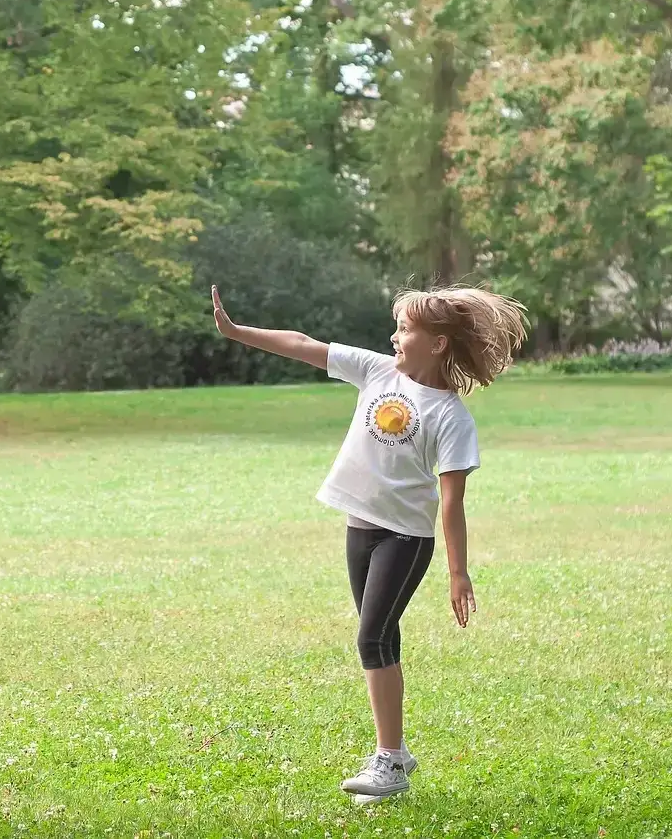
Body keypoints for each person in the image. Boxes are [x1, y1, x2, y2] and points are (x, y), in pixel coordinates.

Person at [210, 282, 527, 803]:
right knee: (383, 639)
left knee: (370, 640)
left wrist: (458, 572)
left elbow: (451, 504)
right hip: (360, 527)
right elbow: (304, 343)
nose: (394, 337)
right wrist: (237, 331)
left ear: (438, 344)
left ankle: (387, 763)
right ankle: (396, 753)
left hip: (405, 539)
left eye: (406, 330)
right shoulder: (378, 370)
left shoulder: (451, 417)